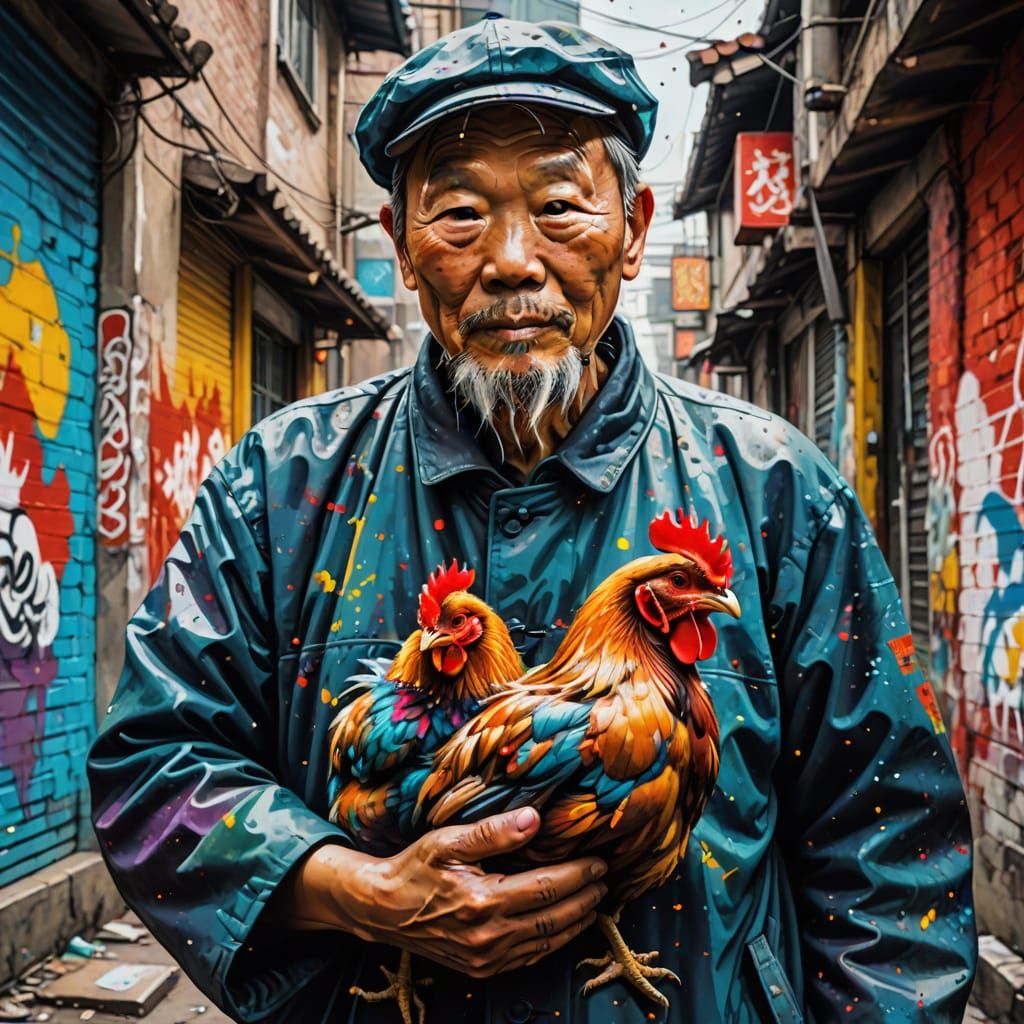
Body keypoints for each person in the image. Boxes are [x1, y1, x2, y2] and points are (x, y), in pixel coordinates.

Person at [87, 15, 977, 1024]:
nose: (512, 259)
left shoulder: (776, 491)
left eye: (560, 205)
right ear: (401, 247)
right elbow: (153, 767)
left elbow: (891, 851)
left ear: (635, 229)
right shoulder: (279, 487)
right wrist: (358, 890)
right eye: (460, 214)